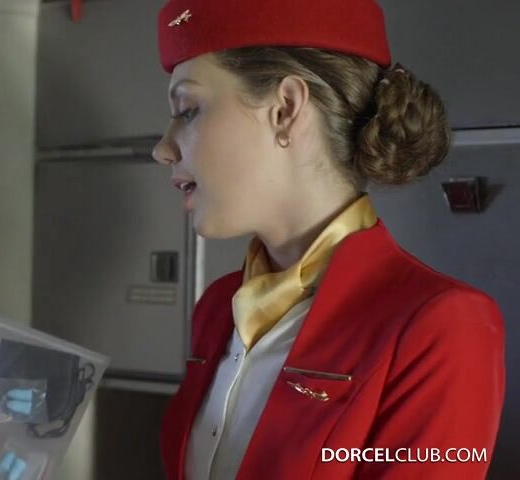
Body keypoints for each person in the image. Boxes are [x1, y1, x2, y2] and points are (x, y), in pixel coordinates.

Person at [151, 1, 505, 478]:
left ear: (285, 109)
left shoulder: (438, 324)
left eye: (188, 110)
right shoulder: (217, 307)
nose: (163, 148)